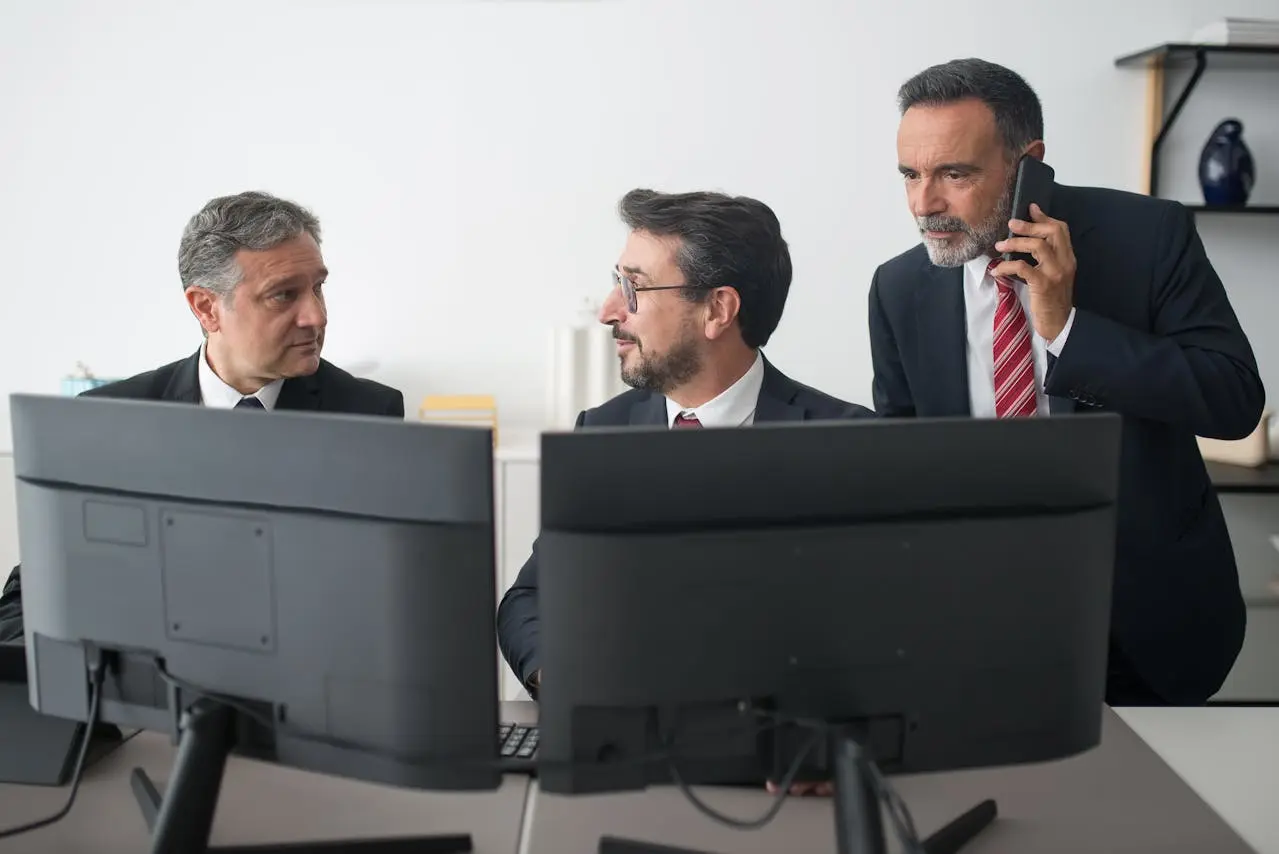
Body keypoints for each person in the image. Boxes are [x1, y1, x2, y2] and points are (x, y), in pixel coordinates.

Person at [867, 58, 1264, 706]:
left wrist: (1065, 329)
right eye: (909, 174)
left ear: (1028, 162)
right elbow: (901, 453)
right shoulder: (897, 287)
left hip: (1144, 618)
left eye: (954, 174)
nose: (923, 203)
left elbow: (1232, 402)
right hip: (978, 624)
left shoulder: (1149, 237)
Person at [497, 188, 873, 697]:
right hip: (623, 740)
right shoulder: (602, 433)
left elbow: (866, 637)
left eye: (634, 287)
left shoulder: (846, 445)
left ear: (717, 310)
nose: (610, 310)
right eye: (617, 282)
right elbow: (531, 598)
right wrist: (556, 672)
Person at [0, 191, 404, 642]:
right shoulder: (110, 419)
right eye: (283, 295)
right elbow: (36, 590)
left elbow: (385, 603)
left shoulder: (368, 415)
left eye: (318, 287)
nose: (316, 315)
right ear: (206, 308)